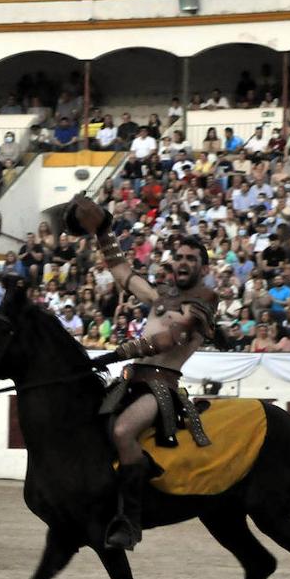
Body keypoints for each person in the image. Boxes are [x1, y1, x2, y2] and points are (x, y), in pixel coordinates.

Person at [71, 194, 220, 550]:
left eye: (191, 259)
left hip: (161, 385)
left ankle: (130, 522)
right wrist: (103, 230)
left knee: (123, 431)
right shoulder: (160, 296)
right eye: (179, 257)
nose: (183, 263)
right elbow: (121, 270)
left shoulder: (203, 300)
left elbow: (173, 338)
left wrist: (122, 350)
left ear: (203, 267)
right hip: (131, 380)